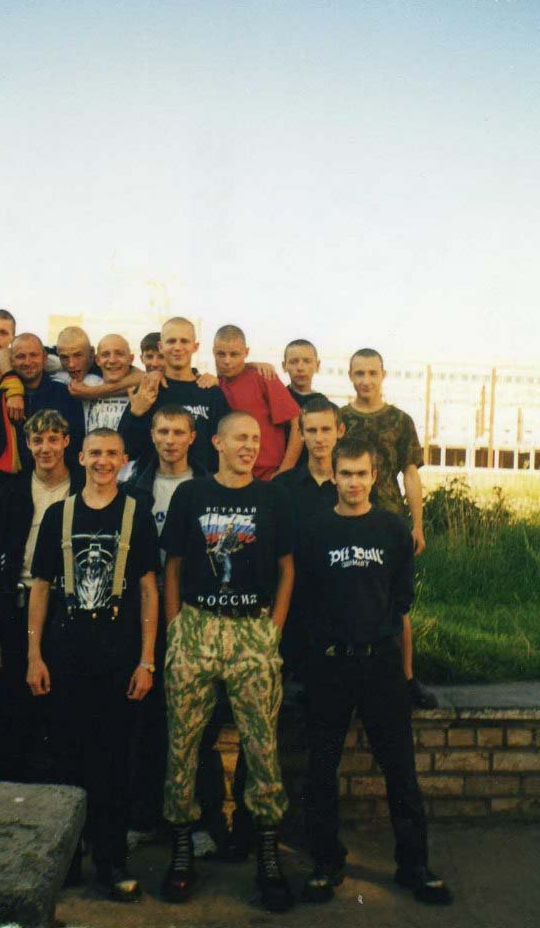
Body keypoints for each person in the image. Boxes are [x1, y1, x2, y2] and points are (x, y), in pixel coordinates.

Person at [300, 439, 452, 906]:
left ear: (374, 476)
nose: (353, 483)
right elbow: (307, 597)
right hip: (331, 663)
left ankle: (414, 865)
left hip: (380, 662)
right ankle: (325, 862)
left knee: (400, 768)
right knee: (321, 767)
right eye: (345, 474)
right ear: (334, 476)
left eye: (361, 474)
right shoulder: (316, 529)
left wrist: (400, 667)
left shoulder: (392, 528)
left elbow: (401, 598)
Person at [159, 411, 295, 913]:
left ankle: (267, 857)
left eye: (255, 439)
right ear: (217, 442)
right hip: (196, 628)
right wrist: (175, 627)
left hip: (251, 630)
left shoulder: (272, 497)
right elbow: (172, 566)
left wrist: (273, 628)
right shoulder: (190, 495)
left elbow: (287, 568)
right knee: (182, 744)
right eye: (241, 437)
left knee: (262, 745)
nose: (249, 446)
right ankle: (182, 849)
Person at [27, 427, 159, 902]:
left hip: (118, 654)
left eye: (112, 454)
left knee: (114, 762)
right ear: (80, 457)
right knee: (65, 758)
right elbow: (41, 587)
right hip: (66, 651)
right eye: (96, 453)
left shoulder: (136, 514)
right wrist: (34, 655)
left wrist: (147, 660)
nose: (103, 461)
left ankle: (111, 861)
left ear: (124, 461)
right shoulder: (58, 515)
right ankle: (66, 861)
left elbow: (148, 589)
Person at [126, 404, 227, 856]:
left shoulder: (210, 485)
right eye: (163, 431)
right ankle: (145, 817)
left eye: (178, 432)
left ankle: (203, 822)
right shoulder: (134, 487)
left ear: (192, 437)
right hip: (146, 614)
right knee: (146, 721)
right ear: (152, 435)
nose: (170, 440)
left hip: (198, 611)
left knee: (199, 724)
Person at [0, 409, 82, 782]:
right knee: (12, 707)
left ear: (66, 441)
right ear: (27, 444)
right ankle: (6, 792)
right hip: (18, 605)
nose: (46, 448)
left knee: (65, 707)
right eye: (37, 440)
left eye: (53, 439)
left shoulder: (84, 487)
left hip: (68, 608)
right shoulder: (11, 492)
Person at [339, 348, 437, 710]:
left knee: (396, 604)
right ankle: (340, 679)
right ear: (350, 376)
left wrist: (417, 524)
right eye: (359, 373)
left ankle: (407, 678)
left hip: (389, 520)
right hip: (347, 520)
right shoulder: (339, 419)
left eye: (372, 373)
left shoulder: (400, 420)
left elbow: (410, 474)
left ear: (383, 375)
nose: (365, 380)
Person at [274, 396, 344, 680]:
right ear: (301, 434)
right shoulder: (283, 486)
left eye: (326, 429)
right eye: (311, 430)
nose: (319, 438)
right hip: (292, 598)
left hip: (337, 599)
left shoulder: (350, 486)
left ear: (340, 431)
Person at [119, 317, 230, 472]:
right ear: (161, 346)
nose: (177, 347)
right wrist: (135, 414)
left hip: (200, 483)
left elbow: (225, 448)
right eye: (171, 341)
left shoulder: (211, 392)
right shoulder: (147, 390)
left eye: (184, 341)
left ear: (195, 346)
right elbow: (124, 449)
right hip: (152, 483)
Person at [213, 325, 301, 480]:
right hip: (230, 477)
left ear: (246, 352)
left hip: (267, 476)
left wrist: (284, 471)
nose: (227, 361)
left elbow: (298, 423)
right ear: (213, 352)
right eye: (221, 354)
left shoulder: (262, 376)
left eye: (234, 354)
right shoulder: (214, 384)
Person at [0, 333, 85, 474]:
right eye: (20, 356)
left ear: (44, 358)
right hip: (12, 481)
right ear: (11, 361)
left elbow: (75, 443)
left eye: (33, 355)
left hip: (57, 479)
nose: (27, 362)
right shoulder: (0, 395)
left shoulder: (65, 394)